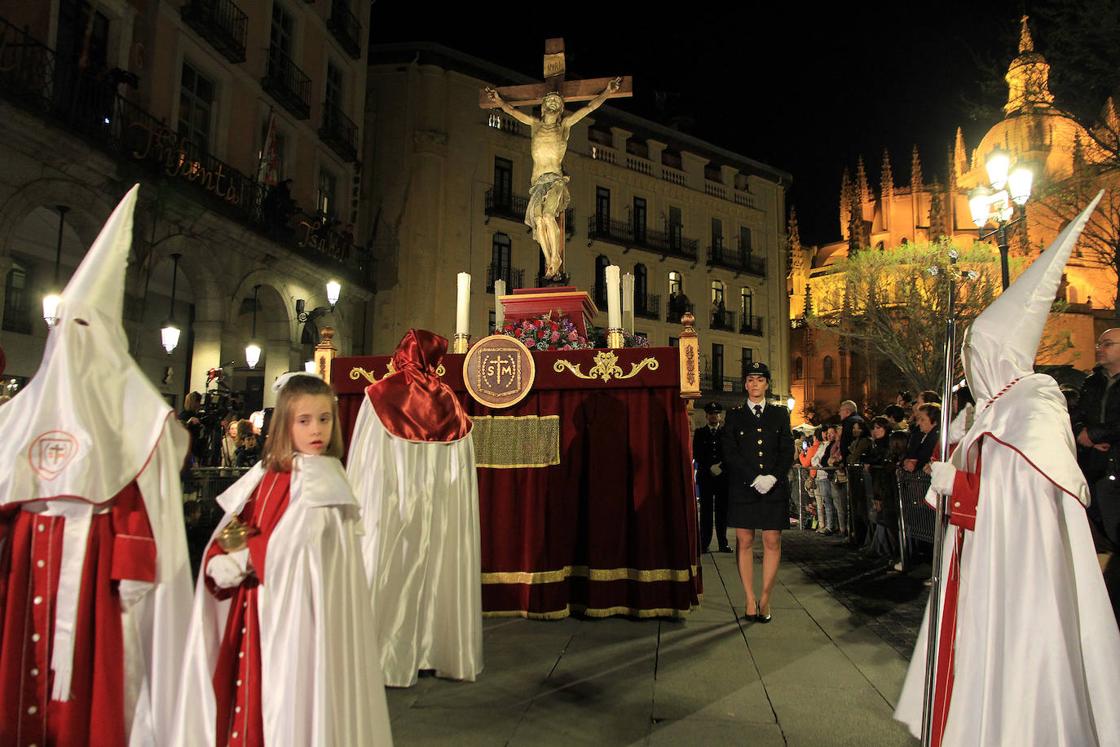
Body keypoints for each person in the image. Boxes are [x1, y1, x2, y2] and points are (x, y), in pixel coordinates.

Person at [896, 194, 1120, 745]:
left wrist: (968, 481)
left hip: (1022, 561)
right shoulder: (986, 412)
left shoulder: (1036, 400)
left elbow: (1036, 482)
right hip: (979, 553)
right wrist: (951, 480)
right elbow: (976, 477)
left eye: (976, 353)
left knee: (1020, 653)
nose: (970, 365)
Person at [0, 186, 192, 744]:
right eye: (66, 329)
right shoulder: (18, 415)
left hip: (96, 581)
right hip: (26, 570)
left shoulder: (138, 420)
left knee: (92, 690)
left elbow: (146, 507)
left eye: (87, 331)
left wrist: (131, 565)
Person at [173, 372, 392, 745]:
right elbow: (239, 520)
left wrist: (243, 561)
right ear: (284, 424)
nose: (316, 430)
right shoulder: (269, 472)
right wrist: (221, 553)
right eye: (304, 420)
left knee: (291, 700)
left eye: (324, 418)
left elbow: (298, 545)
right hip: (261, 607)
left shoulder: (325, 480)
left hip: (297, 618)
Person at [346, 329, 482, 687]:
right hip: (437, 512)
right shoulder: (450, 403)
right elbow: (459, 475)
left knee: (390, 566)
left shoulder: (379, 394)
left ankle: (385, 654)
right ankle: (435, 648)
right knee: (437, 565)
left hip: (391, 504)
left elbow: (365, 456)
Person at [485, 78, 622, 278]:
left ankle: (556, 258)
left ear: (560, 110)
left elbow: (589, 108)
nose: (552, 104)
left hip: (556, 180)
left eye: (556, 104)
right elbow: (512, 112)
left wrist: (607, 92)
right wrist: (498, 101)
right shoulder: (534, 125)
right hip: (538, 183)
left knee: (549, 216)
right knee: (538, 220)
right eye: (548, 102)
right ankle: (550, 260)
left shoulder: (564, 126)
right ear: (542, 108)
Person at [722, 361, 793, 623]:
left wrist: (773, 476)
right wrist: (754, 478)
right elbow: (730, 452)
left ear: (766, 384)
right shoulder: (734, 415)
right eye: (750, 380)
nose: (755, 384)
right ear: (745, 384)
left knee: (773, 541)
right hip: (745, 487)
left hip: (774, 487)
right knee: (745, 541)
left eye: (760, 380)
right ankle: (749, 598)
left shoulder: (780, 414)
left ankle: (766, 597)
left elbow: (787, 449)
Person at [1075, 327, 1120, 550]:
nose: (1100, 349)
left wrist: (1093, 435)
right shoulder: (1091, 382)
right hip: (1093, 469)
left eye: (1107, 344)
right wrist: (1081, 432)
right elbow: (1076, 415)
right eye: (1099, 344)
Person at [694, 401, 731, 553]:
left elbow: (730, 453)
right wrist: (710, 466)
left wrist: (720, 467)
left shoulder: (726, 433)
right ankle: (704, 543)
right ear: (706, 416)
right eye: (711, 414)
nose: (713, 416)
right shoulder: (700, 433)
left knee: (722, 511)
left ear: (720, 415)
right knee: (706, 512)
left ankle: (723, 543)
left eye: (716, 414)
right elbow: (696, 453)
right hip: (706, 476)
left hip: (722, 477)